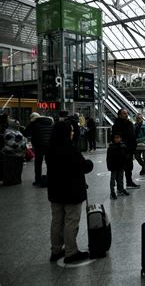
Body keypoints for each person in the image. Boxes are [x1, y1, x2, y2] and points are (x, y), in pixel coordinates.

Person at [46, 121, 94, 263]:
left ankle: (56, 250)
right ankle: (71, 252)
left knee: (56, 221)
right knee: (71, 221)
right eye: (71, 130)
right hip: (71, 190)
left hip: (55, 190)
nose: (72, 132)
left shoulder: (50, 148)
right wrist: (89, 163)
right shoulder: (70, 148)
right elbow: (83, 166)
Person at [23, 112, 54, 187]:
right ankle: (50, 179)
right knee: (49, 163)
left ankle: (38, 180)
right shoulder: (50, 122)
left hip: (39, 146)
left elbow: (25, 133)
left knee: (38, 163)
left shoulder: (33, 123)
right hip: (50, 146)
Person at [112, 109, 140, 189]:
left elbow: (132, 136)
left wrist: (133, 147)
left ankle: (129, 182)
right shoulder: (116, 125)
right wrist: (123, 146)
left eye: (127, 113)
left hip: (130, 150)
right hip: (121, 150)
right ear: (119, 115)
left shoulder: (130, 123)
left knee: (129, 167)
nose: (126, 114)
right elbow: (115, 138)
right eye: (124, 113)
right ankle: (120, 186)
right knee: (120, 169)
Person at [107, 132, 129, 200]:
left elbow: (125, 156)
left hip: (121, 165)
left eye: (118, 138)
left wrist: (125, 164)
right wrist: (109, 166)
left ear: (120, 138)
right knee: (113, 179)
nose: (117, 139)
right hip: (114, 166)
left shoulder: (123, 146)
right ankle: (112, 192)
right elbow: (108, 158)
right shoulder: (111, 147)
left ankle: (120, 189)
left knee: (120, 178)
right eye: (115, 138)